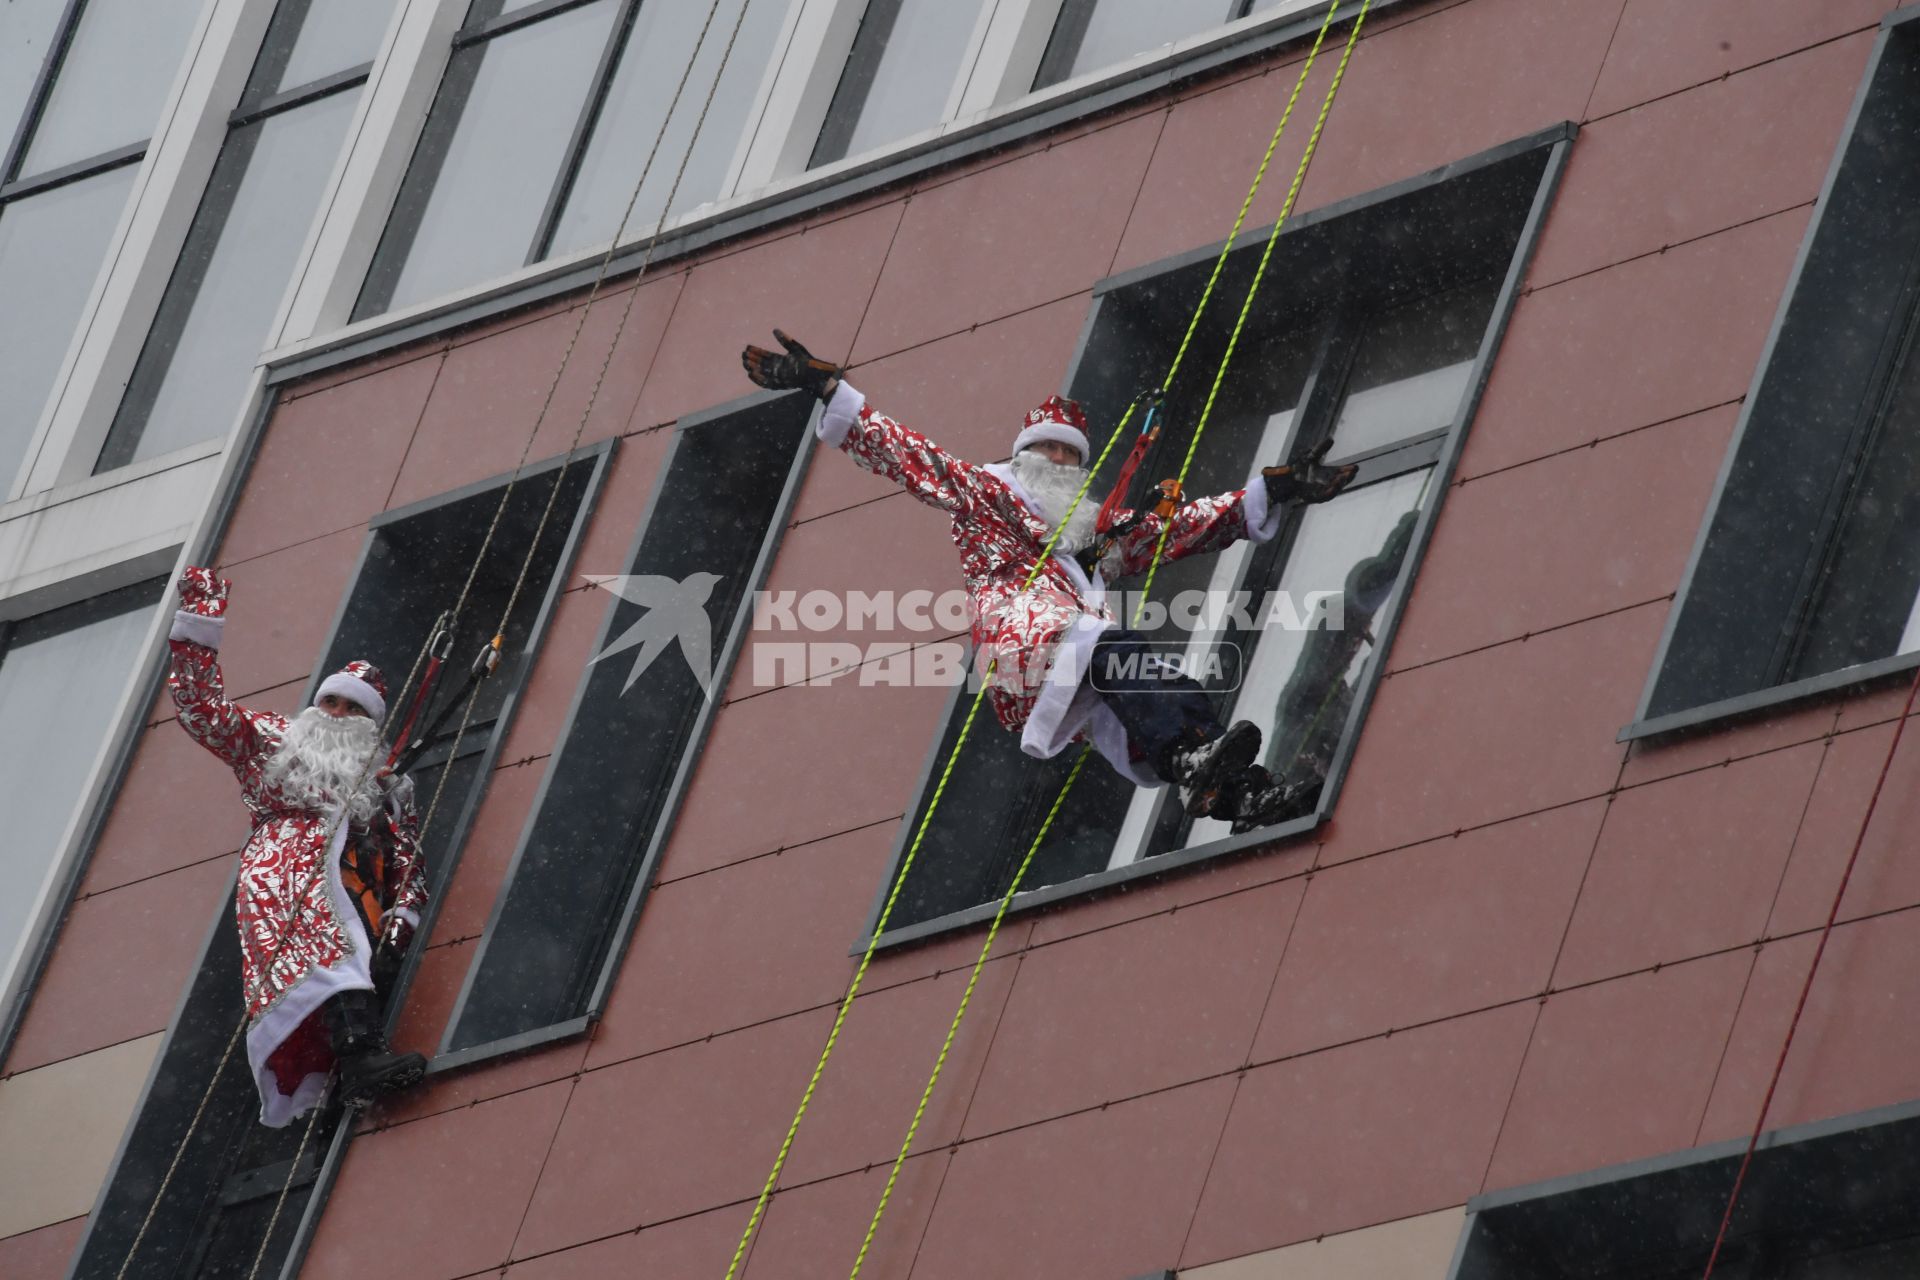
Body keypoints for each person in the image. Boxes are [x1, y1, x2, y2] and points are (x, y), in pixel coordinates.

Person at [742, 330, 1356, 831]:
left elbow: (1174, 529)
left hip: (1080, 656)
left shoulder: (1091, 531)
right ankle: (1197, 759)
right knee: (1117, 651)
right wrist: (827, 388)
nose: (1062, 463)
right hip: (1025, 639)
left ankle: (1242, 793)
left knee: (1169, 692)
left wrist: (1270, 491)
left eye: (1072, 456)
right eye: (1049, 451)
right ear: (1022, 454)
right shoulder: (986, 493)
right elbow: (910, 457)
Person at [169, 566, 427, 1125]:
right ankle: (358, 1061)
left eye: (350, 708)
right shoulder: (273, 741)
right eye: (330, 702)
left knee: (354, 962)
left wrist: (405, 912)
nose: (335, 714)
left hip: (354, 887)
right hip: (285, 872)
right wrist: (200, 620)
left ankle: (348, 1071)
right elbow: (202, 711)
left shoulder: (386, 784)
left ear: (368, 722)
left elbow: (407, 856)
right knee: (328, 960)